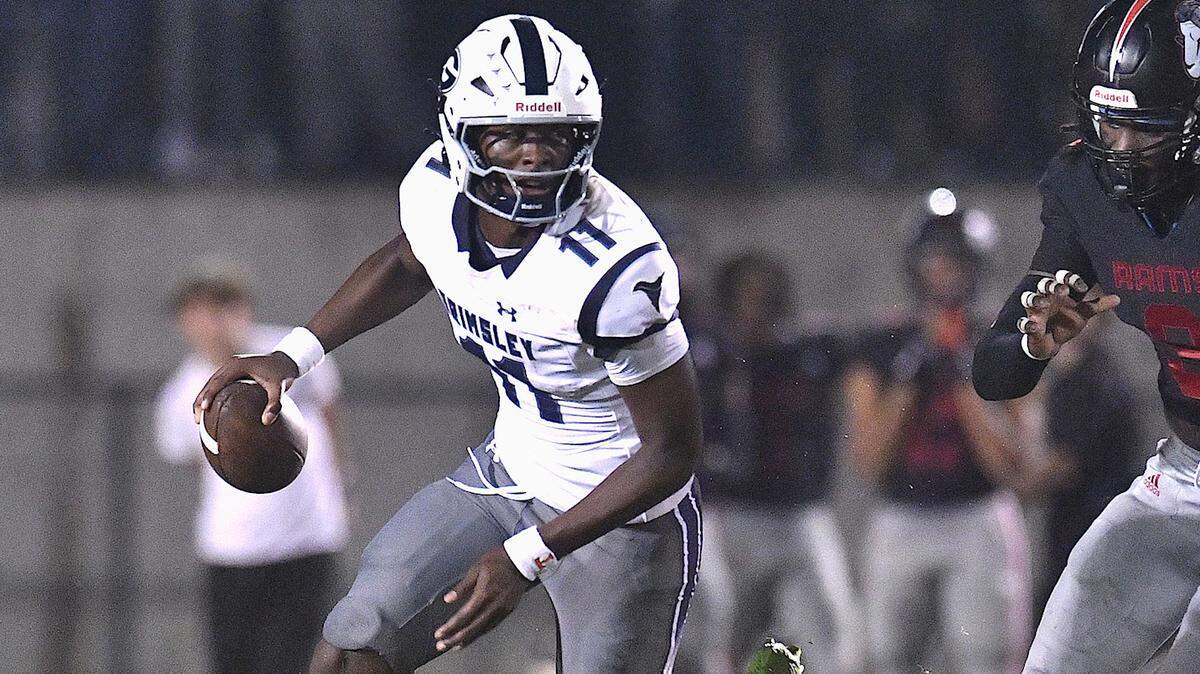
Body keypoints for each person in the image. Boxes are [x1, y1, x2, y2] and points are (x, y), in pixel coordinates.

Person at [193, 15, 703, 673]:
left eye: (555, 135)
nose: (534, 155)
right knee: (352, 652)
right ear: (461, 134)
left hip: (625, 519)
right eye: (509, 135)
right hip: (510, 473)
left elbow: (671, 453)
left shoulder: (617, 269)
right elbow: (409, 263)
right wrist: (295, 354)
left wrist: (529, 554)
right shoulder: (438, 189)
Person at [972, 1, 1200, 670]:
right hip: (1185, 473)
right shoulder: (1084, 188)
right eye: (1108, 122)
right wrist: (1033, 342)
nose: (1119, 148)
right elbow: (994, 373)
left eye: (1144, 127)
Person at [845, 191, 1032, 674]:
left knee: (987, 659)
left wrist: (965, 372)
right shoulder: (883, 344)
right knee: (886, 659)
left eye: (956, 258)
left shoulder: (1002, 340)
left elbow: (1011, 465)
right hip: (901, 517)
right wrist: (913, 370)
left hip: (978, 516)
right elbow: (869, 462)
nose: (946, 270)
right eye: (936, 257)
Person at [155, 267, 349, 674]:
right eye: (200, 312)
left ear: (244, 309)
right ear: (184, 321)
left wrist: (340, 488)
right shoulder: (180, 392)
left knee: (295, 663)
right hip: (232, 549)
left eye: (223, 307)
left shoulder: (288, 357)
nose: (214, 323)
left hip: (306, 542)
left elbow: (329, 421)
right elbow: (196, 461)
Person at [689, 251, 864, 674]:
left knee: (831, 634)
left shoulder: (806, 355)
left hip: (799, 513)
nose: (756, 306)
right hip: (731, 514)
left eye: (764, 295)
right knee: (722, 634)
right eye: (747, 295)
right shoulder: (712, 360)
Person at [1030, 325, 1143, 621]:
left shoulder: (1093, 381)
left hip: (1088, 527)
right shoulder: (1084, 374)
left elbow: (1066, 464)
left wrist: (1017, 483)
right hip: (1084, 526)